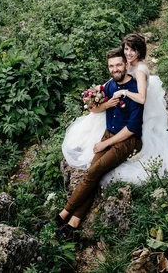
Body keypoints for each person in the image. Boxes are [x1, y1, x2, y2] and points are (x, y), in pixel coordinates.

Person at [62, 33, 168, 187]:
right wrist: (100, 89)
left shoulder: (140, 70)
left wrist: (124, 92)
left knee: (113, 116)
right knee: (102, 113)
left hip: (136, 103)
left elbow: (141, 98)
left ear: (139, 52)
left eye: (132, 50)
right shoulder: (128, 63)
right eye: (126, 49)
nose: (128, 53)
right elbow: (118, 77)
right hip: (126, 99)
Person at [46, 47, 144, 238]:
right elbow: (93, 108)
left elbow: (132, 128)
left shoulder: (133, 90)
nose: (115, 69)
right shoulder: (109, 86)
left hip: (127, 141)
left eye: (118, 64)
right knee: (94, 173)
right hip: (108, 135)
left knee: (92, 172)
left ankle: (62, 215)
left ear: (125, 64)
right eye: (111, 66)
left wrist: (104, 145)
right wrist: (105, 105)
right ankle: (74, 223)